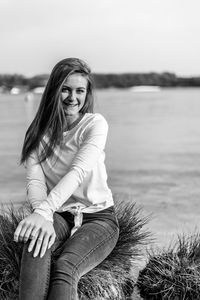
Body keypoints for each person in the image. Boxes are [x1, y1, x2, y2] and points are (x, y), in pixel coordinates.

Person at [14, 58, 119, 300]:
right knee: (34, 245)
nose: (73, 97)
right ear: (54, 90)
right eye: (66, 89)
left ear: (87, 93)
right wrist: (43, 213)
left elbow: (78, 171)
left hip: (99, 219)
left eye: (79, 91)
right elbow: (36, 182)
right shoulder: (37, 132)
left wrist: (43, 213)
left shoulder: (95, 124)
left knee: (65, 267)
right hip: (59, 214)